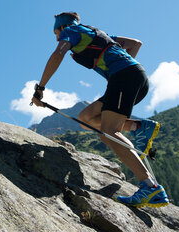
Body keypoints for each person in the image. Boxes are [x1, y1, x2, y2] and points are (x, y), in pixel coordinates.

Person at [31, 12, 169, 208]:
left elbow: (57, 54)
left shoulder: (70, 31)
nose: (56, 37)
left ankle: (150, 186)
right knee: (86, 118)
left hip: (124, 78)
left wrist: (40, 88)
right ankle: (139, 127)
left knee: (108, 133)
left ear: (62, 27)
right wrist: (118, 68)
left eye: (56, 32)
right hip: (132, 77)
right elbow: (136, 44)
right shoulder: (98, 33)